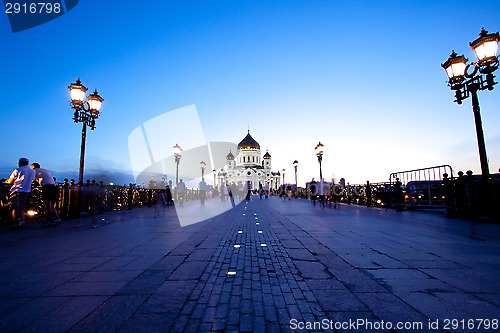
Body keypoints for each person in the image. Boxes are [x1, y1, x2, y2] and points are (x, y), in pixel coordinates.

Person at [4, 158, 36, 228]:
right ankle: (22, 221)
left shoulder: (18, 170)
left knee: (15, 207)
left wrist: (5, 181)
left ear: (20, 163)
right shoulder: (33, 171)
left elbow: (10, 181)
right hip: (26, 191)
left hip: (16, 190)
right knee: (21, 207)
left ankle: (15, 223)